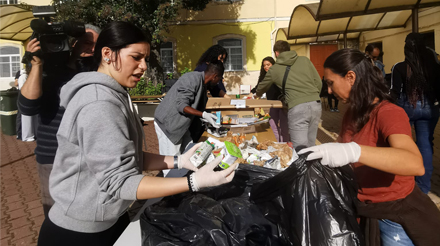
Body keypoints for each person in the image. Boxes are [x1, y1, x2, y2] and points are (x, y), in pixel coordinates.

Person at [37, 21, 236, 246]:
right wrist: (194, 182)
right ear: (107, 54)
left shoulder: (117, 92)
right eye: (136, 57)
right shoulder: (99, 102)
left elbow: (126, 158)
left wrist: (180, 160)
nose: (143, 66)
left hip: (110, 219)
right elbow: (120, 181)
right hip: (78, 233)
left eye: (146, 59)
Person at [299, 48, 440, 246]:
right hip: (363, 210)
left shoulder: (389, 113)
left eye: (330, 83)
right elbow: (344, 157)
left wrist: (353, 151)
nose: (329, 91)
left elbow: (415, 163)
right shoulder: (352, 113)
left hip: (393, 217)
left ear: (350, 77)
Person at [18, 24, 101, 217]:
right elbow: (28, 107)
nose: (92, 49)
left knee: (89, 211)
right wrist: (37, 64)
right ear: (72, 43)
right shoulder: (50, 70)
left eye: (97, 44)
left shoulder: (99, 72)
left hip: (90, 154)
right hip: (53, 155)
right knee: (55, 214)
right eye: (87, 43)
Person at [390, 33, 440, 194]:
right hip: (430, 109)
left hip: (407, 109)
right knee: (425, 145)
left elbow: (394, 92)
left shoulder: (399, 67)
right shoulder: (434, 66)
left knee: (401, 144)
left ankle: (402, 183)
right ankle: (424, 188)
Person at [256, 40, 322, 148]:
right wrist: (312, 97)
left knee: (300, 149)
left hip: (297, 107)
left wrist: (256, 95)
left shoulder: (274, 69)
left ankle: (302, 164)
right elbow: (318, 83)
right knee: (311, 146)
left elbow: (260, 89)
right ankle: (313, 165)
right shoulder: (305, 60)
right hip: (316, 105)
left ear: (276, 53)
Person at [154, 60, 224, 155]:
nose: (218, 83)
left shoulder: (203, 85)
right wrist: (203, 114)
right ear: (215, 76)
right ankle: (168, 170)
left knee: (190, 152)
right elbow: (182, 106)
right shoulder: (191, 79)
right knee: (172, 162)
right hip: (169, 125)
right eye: (219, 79)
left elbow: (198, 107)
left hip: (182, 124)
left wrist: (207, 121)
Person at [251, 56, 289, 142]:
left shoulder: (278, 74)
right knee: (272, 125)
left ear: (273, 65)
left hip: (282, 104)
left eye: (268, 64)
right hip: (272, 105)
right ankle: (277, 144)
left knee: (284, 128)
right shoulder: (264, 76)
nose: (266, 67)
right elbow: (259, 86)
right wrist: (251, 94)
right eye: (264, 65)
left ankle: (285, 145)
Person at [16, 64, 37, 141]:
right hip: (24, 97)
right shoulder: (23, 76)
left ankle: (31, 133)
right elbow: (22, 88)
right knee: (22, 116)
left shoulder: (27, 76)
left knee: (31, 117)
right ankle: (20, 134)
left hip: (28, 96)